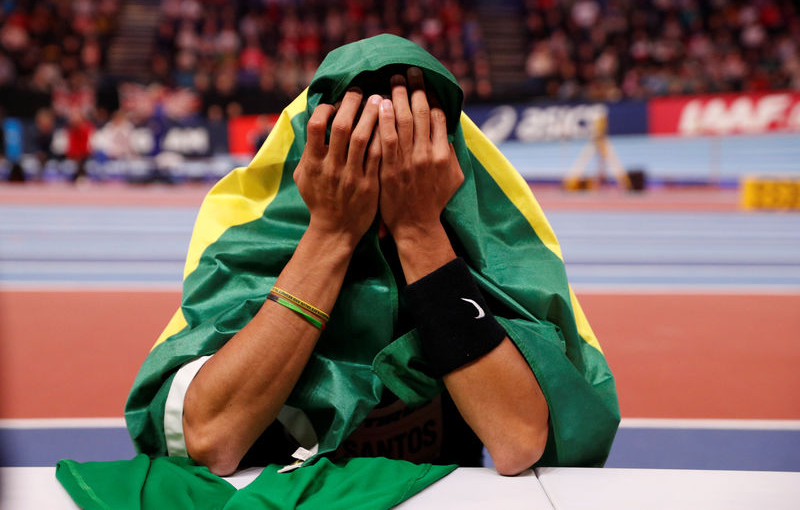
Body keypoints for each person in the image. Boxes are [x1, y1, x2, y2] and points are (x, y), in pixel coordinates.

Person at [125, 35, 619, 484]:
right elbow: (210, 439)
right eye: (353, 156)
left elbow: (517, 439)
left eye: (409, 155)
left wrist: (419, 230)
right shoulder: (254, 224)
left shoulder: (479, 228)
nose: (384, 171)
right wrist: (332, 232)